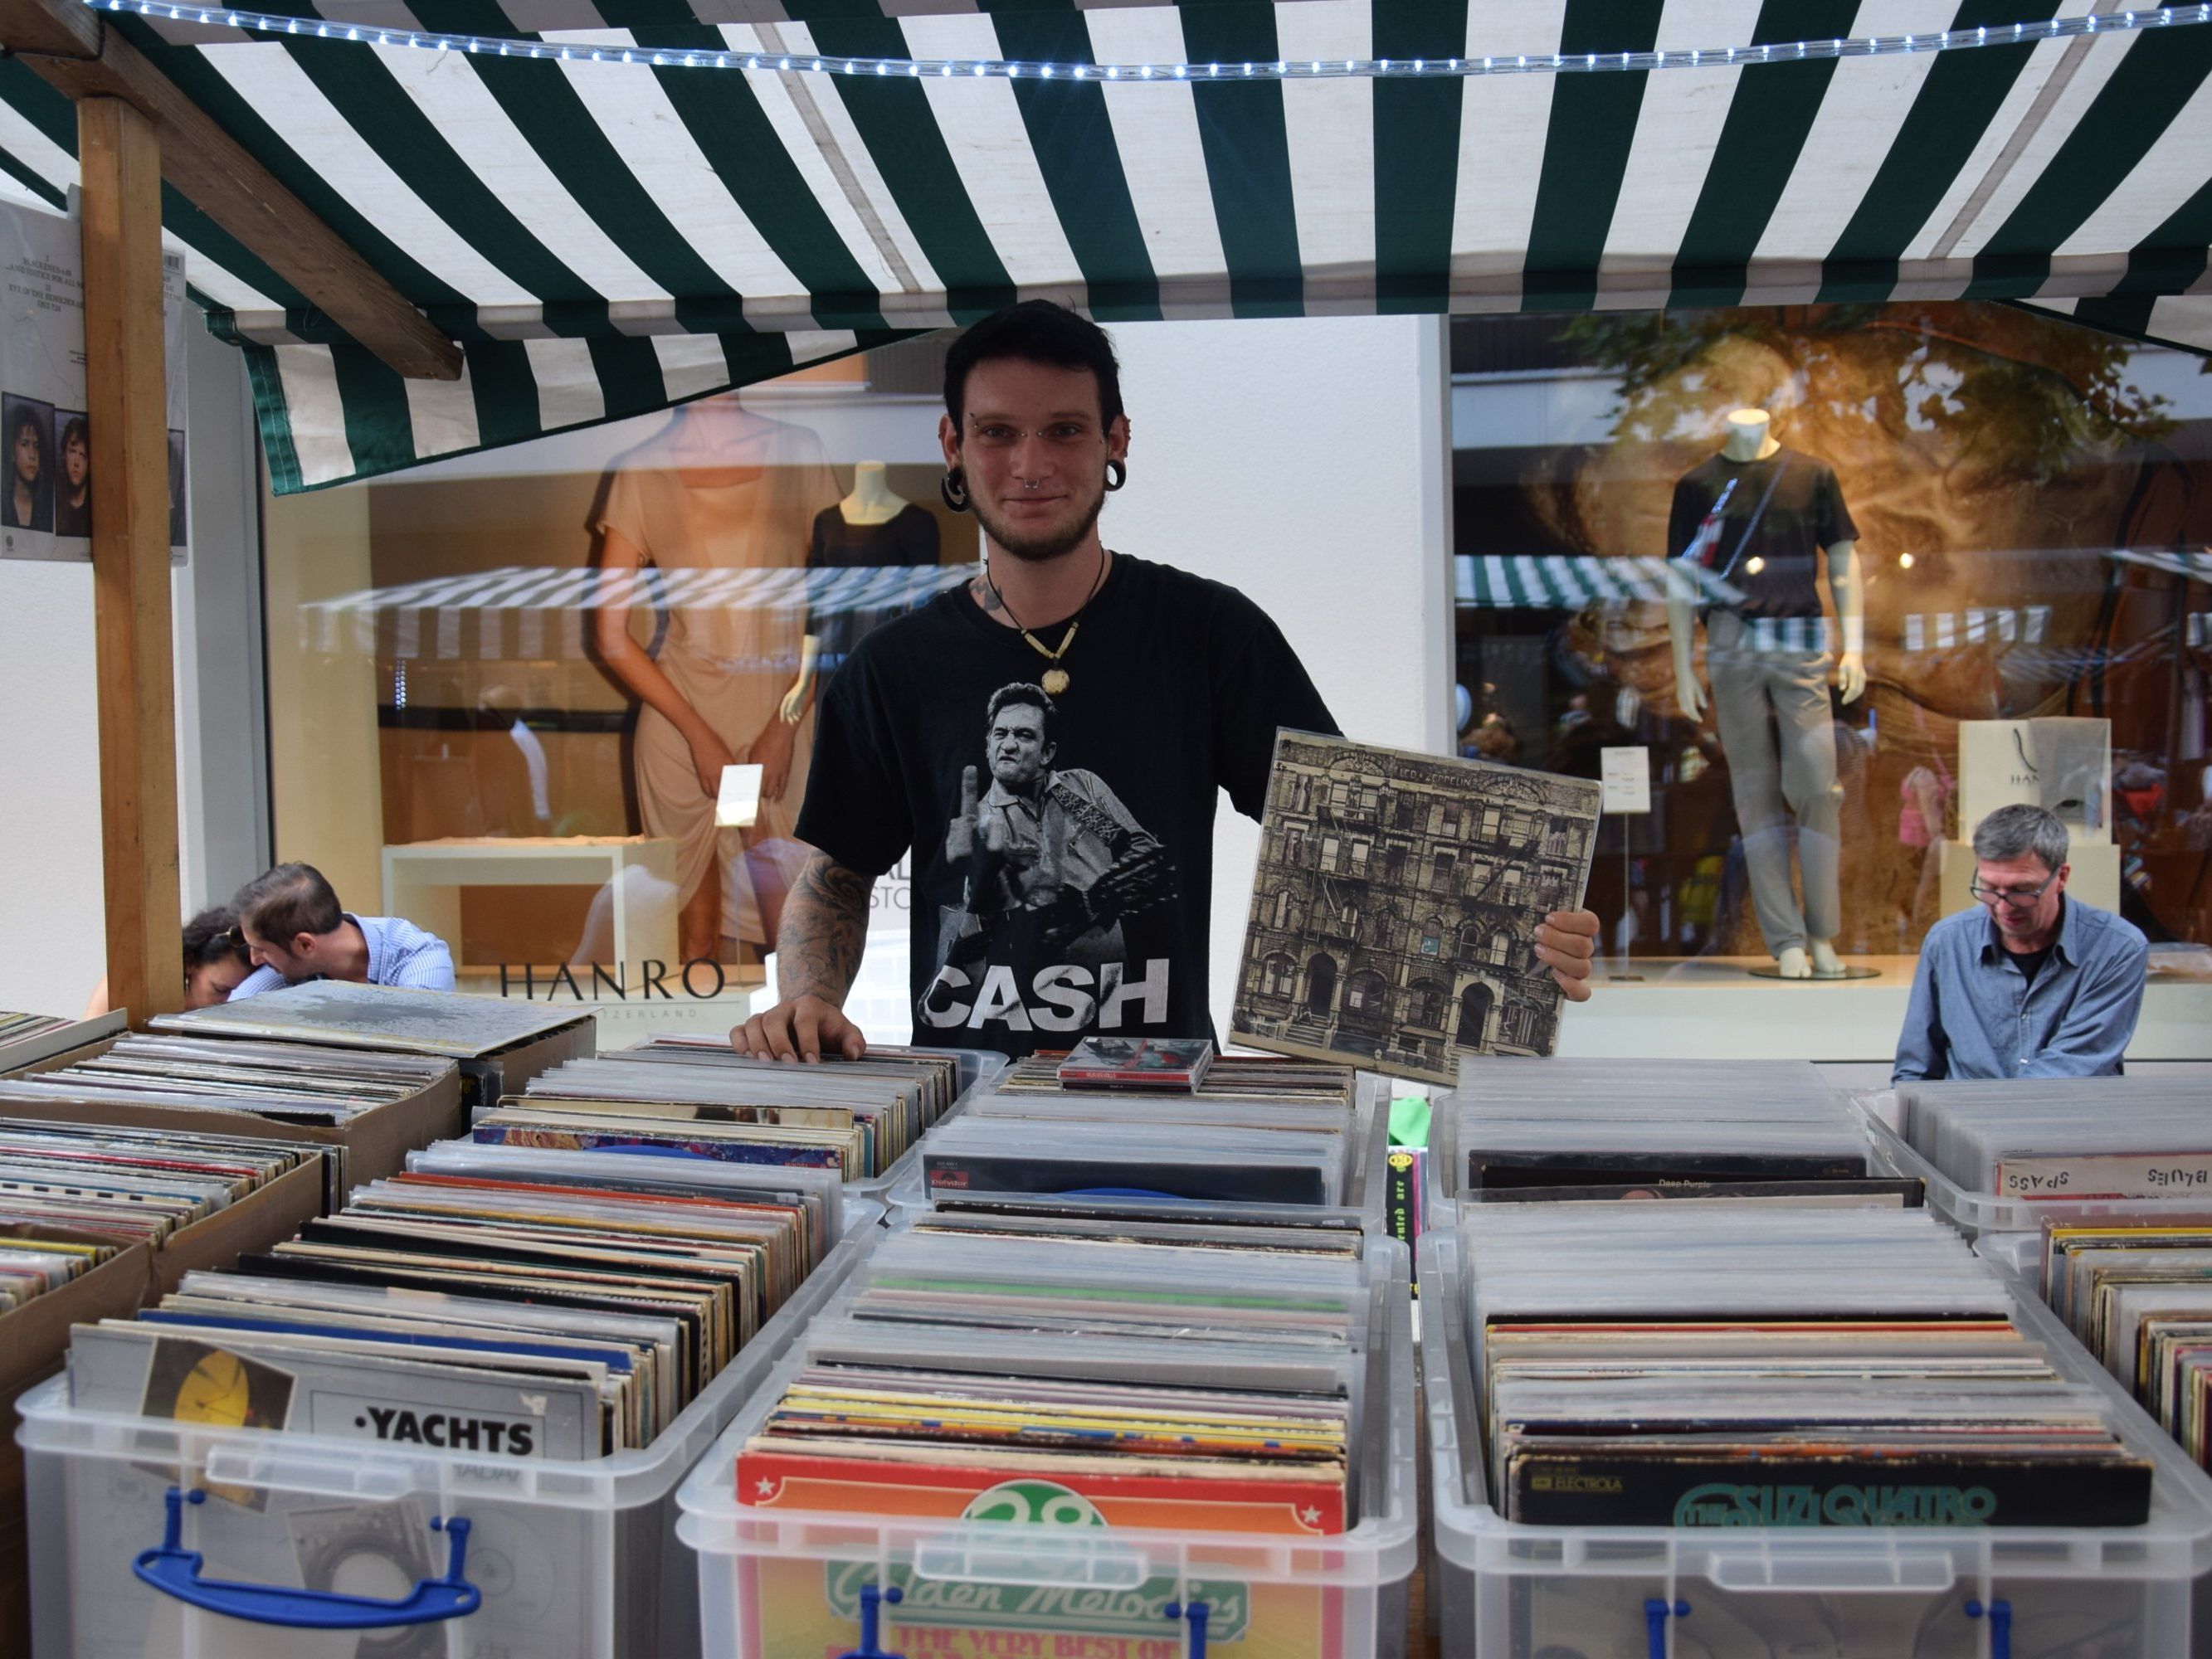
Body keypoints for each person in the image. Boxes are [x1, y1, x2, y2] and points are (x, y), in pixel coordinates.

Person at [733, 301, 1599, 1063]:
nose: (1030, 463)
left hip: (1167, 1104)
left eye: (1064, 429)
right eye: (997, 431)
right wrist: (808, 996)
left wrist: (1519, 932)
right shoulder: (894, 667)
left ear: (1114, 439)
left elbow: (1355, 837)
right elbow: (839, 870)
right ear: (953, 445)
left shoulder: (1209, 634)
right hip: (965, 1110)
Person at [1893, 804, 2148, 1081]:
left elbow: (2076, 1063)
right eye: (1989, 888)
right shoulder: (1948, 942)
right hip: (1962, 1118)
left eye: (2021, 890)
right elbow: (1915, 1069)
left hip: (2069, 1117)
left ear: (2061, 877)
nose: (2003, 907)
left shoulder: (2117, 947)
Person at [226, 863, 456, 999]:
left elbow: (415, 1045)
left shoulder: (418, 960)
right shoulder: (287, 970)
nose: (255, 960)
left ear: (305, 944)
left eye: (262, 950)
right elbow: (231, 1026)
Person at [82, 904, 256, 1017]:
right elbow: (91, 1040)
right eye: (220, 989)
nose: (230, 1001)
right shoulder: (129, 984)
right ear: (190, 963)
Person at [5, 406, 49, 533]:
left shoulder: (46, 509)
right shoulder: (4, 506)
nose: (32, 455)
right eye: (25, 444)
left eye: (36, 446)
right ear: (12, 452)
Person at [54, 415, 90, 538]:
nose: (76, 462)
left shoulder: (94, 509)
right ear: (64, 454)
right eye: (73, 452)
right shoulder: (54, 502)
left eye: (83, 455)